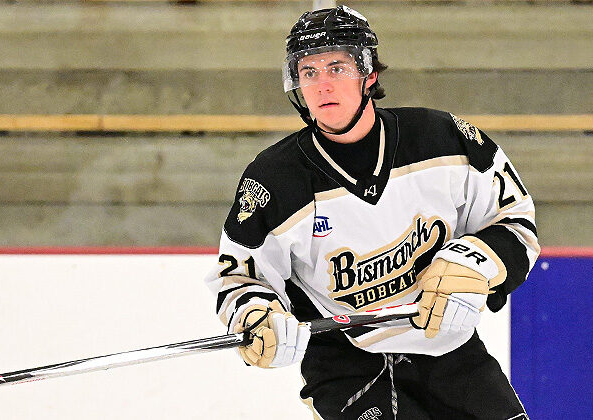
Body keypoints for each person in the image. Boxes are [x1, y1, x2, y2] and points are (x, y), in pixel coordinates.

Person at [205, 5, 538, 419]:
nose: (323, 85)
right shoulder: (273, 180)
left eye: (337, 68)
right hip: (345, 365)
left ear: (369, 74)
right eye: (309, 72)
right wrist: (256, 315)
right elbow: (240, 276)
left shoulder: (444, 139)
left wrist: (476, 264)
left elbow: (515, 221)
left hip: (449, 349)